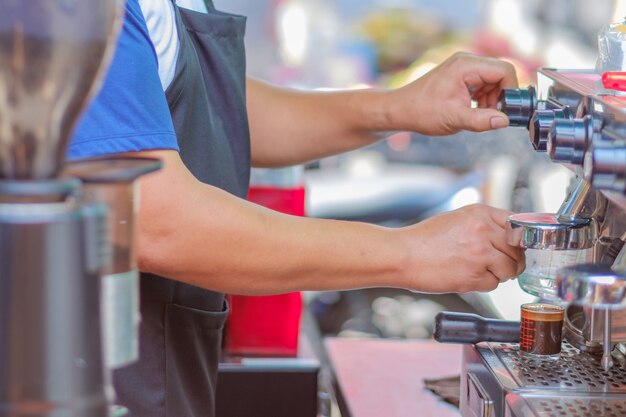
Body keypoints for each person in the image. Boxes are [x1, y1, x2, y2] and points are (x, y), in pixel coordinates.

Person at [69, 1, 525, 416]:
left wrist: (396, 107)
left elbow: (211, 108)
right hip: (94, 377)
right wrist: (412, 252)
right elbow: (153, 218)